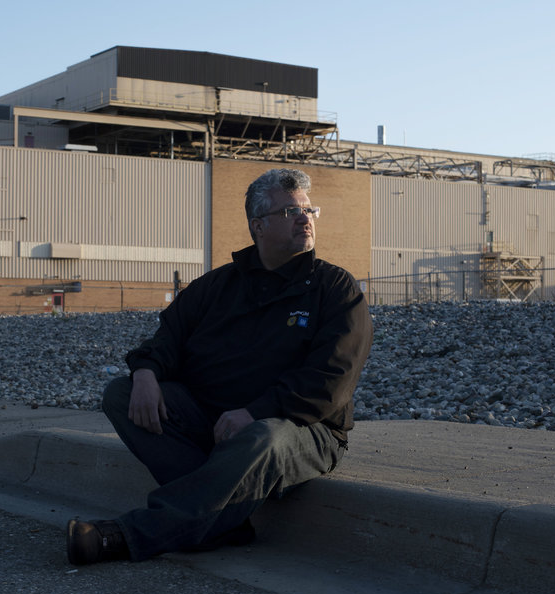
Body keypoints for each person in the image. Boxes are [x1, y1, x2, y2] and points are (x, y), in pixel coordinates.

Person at [67, 167, 373, 565]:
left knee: (264, 437)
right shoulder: (216, 287)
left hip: (302, 430)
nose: (304, 219)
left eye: (309, 210)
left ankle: (128, 535)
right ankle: (221, 520)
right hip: (214, 422)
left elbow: (331, 383)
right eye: (289, 212)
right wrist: (145, 372)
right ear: (257, 226)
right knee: (121, 394)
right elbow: (165, 340)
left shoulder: (335, 289)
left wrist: (255, 413)